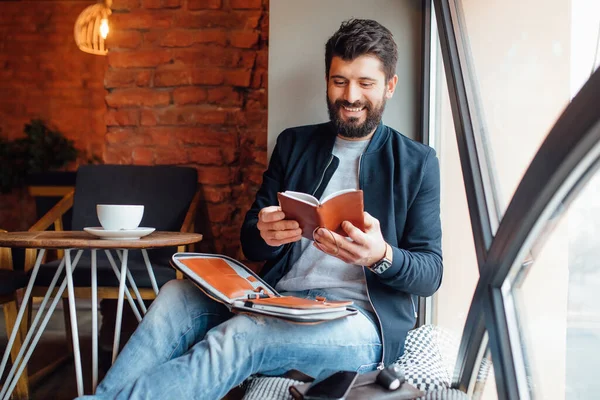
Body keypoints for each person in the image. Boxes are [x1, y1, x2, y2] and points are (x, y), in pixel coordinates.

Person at [82, 18, 442, 400]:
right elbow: (252, 243)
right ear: (327, 80)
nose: (350, 95)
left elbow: (430, 273)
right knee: (176, 295)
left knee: (243, 335)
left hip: (359, 325)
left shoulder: (417, 162)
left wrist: (381, 255)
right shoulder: (294, 144)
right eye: (339, 81)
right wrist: (266, 234)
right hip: (278, 300)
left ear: (390, 86)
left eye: (365, 83)